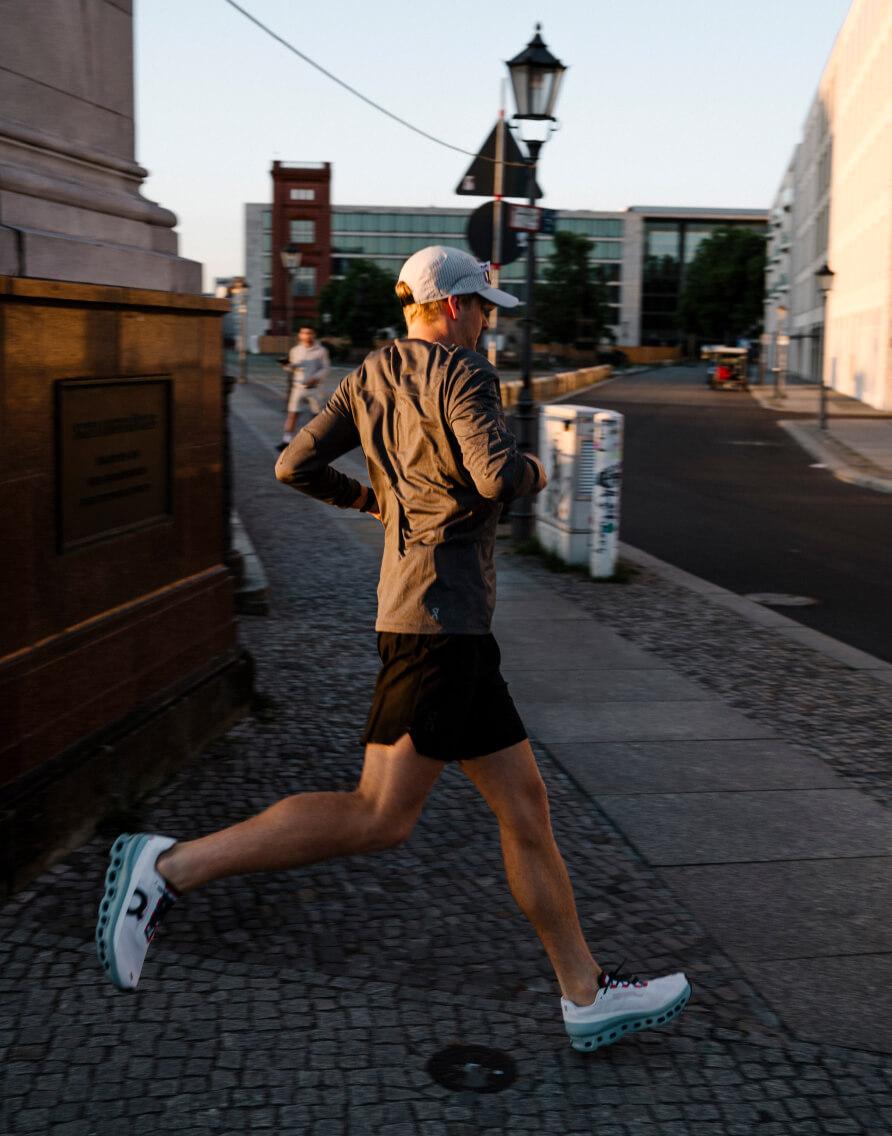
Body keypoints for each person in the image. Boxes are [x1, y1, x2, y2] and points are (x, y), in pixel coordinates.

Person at [96, 246, 690, 1053]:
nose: (488, 322)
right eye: (482, 307)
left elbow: (292, 465)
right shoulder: (466, 372)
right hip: (439, 628)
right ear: (450, 308)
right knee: (379, 816)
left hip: (437, 624)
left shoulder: (369, 374)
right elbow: (490, 478)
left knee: (526, 809)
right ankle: (167, 870)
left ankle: (585, 993)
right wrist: (531, 472)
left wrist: (374, 500)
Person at [278, 324, 330, 451]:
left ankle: (317, 441)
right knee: (292, 414)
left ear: (314, 334)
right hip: (298, 387)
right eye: (304, 333)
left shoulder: (321, 351)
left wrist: (315, 377)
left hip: (315, 388)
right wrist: (286, 365)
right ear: (300, 335)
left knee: (317, 416)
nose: (307, 335)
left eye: (309, 333)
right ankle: (286, 441)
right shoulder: (295, 350)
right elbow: (291, 368)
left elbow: (326, 368)